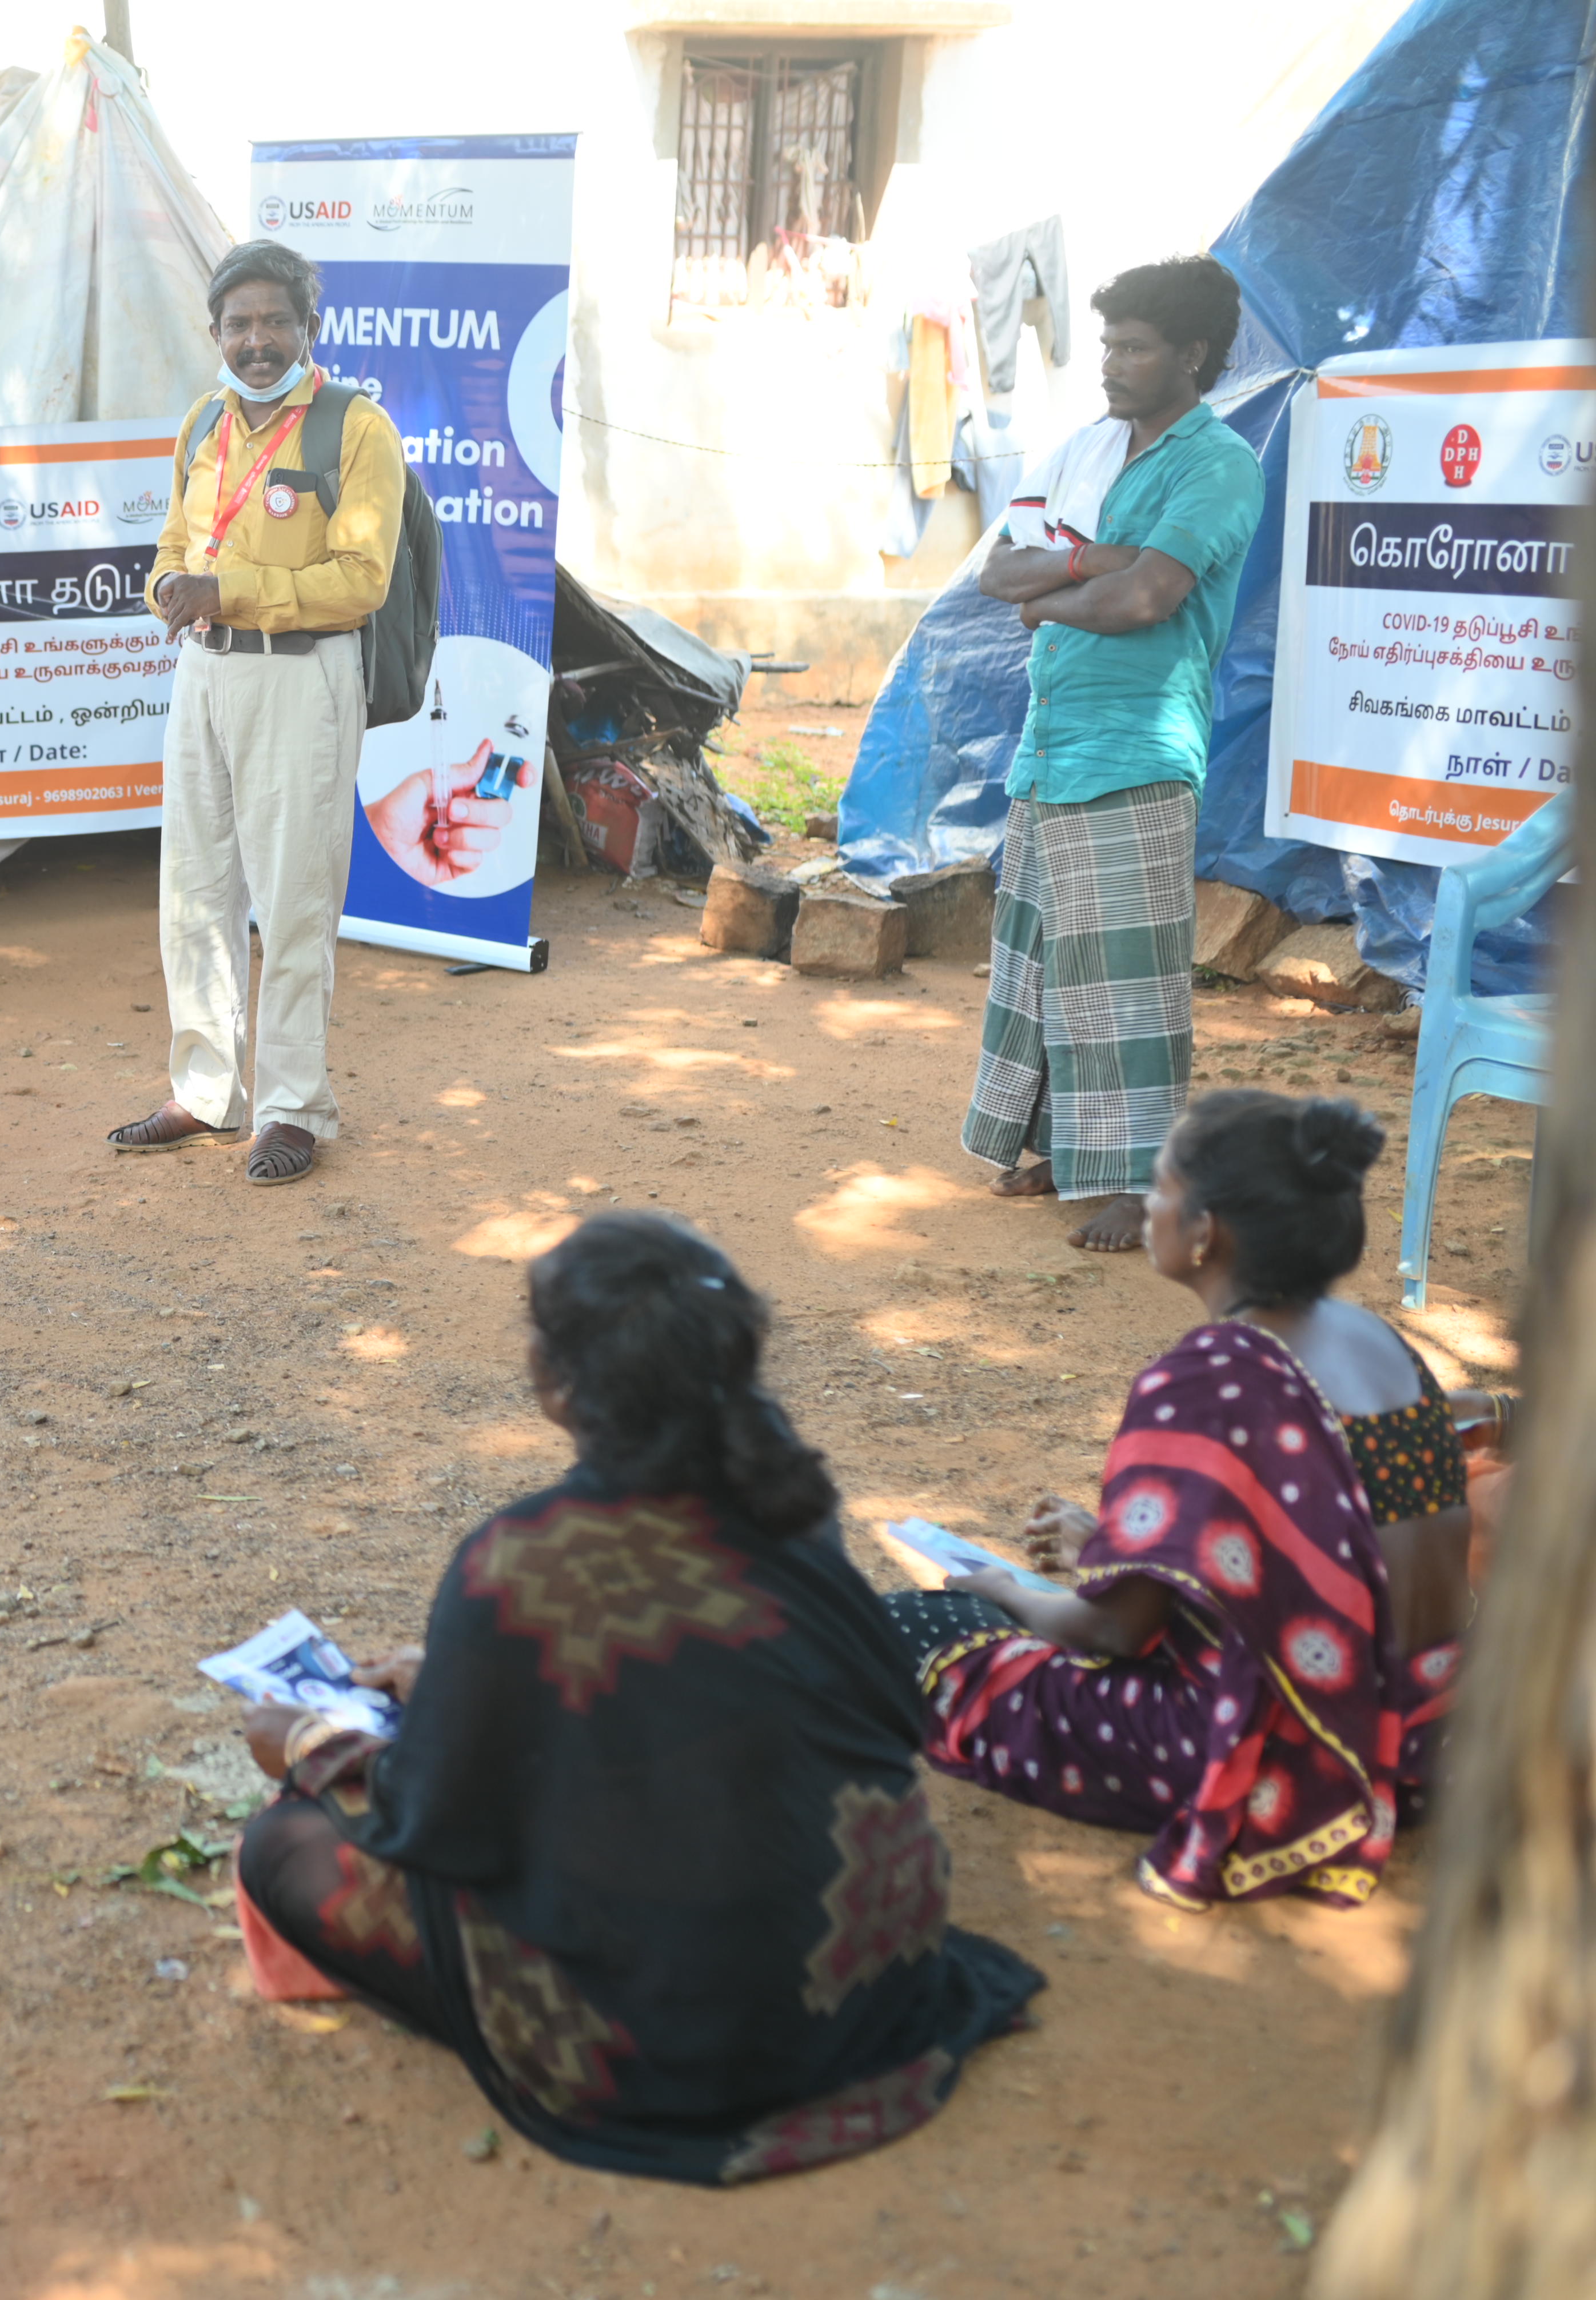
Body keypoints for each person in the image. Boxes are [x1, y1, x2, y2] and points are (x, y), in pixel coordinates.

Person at [233, 1212, 1042, 2183]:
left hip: (673, 2043)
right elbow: (764, 1693)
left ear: (555, 1381)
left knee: (282, 1846)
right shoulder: (789, 1499)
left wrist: (310, 1741)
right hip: (868, 1977)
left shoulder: (518, 1566)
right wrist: (458, 1678)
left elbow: (434, 1825)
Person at [894, 1093, 1418, 1908]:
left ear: (1206, 1230)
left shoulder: (1203, 1380)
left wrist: (1008, 1592)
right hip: (1409, 1734)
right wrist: (1113, 1545)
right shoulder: (1381, 1343)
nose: (1147, 1207)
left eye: (1161, 1186)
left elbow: (1112, 1631)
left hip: (1266, 1756)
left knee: (918, 1625)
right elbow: (1308, 1537)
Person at [965, 256, 1266, 1252]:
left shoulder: (1217, 465)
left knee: (1128, 981)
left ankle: (1143, 1187)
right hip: (1053, 742)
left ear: (1191, 355)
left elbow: (1146, 598)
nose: (1110, 363)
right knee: (1051, 963)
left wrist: (1049, 598)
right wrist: (1085, 561)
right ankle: (1068, 1150)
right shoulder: (1087, 452)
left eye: (1134, 347)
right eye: (1107, 343)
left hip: (1136, 746)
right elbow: (996, 569)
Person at [108, 241, 416, 1191]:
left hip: (301, 678)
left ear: (308, 327)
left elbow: (361, 581)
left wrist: (227, 590)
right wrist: (168, 584)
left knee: (292, 901)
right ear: (214, 332)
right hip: (203, 673)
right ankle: (205, 1091)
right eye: (238, 323)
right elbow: (174, 539)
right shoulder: (203, 421)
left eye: (275, 320)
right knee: (195, 891)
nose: (256, 340)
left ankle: (292, 1108)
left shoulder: (356, 427)